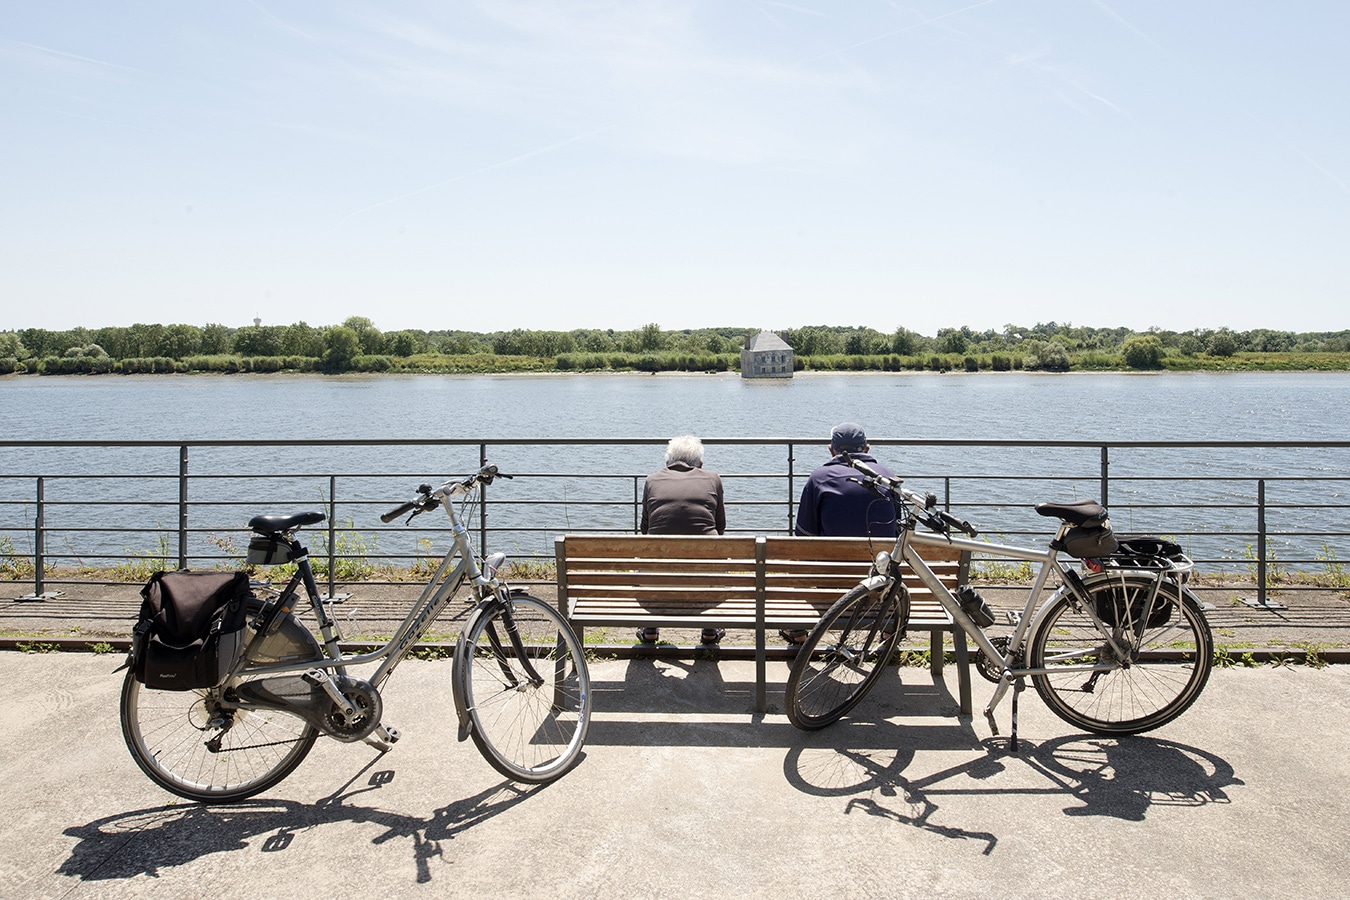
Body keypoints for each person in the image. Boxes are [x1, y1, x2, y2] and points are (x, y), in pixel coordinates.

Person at [784, 422, 897, 644]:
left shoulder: (819, 478)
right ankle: (888, 632)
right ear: (867, 448)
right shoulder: (888, 477)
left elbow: (804, 536)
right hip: (878, 581)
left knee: (801, 556)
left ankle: (797, 631)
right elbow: (897, 531)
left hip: (830, 583)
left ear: (831, 449)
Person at [637, 435, 727, 645]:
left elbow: (645, 529)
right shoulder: (713, 479)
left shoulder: (652, 480)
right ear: (700, 464)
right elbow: (720, 528)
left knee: (653, 559)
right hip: (704, 582)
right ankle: (710, 630)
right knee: (711, 560)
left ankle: (650, 629)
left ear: (667, 463)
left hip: (658, 583)